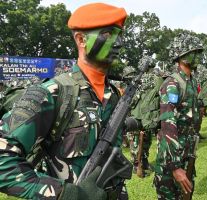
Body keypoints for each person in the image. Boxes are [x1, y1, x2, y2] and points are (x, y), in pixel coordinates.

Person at [0, 3, 128, 200]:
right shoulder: (53, 93)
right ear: (81, 39)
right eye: (108, 34)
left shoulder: (114, 95)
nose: (118, 43)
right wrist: (63, 194)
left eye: (120, 35)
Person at [154, 33, 203, 200]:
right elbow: (168, 124)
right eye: (193, 52)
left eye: (198, 52)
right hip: (171, 157)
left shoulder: (192, 81)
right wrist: (175, 166)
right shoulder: (172, 84)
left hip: (186, 150)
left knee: (186, 193)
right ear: (181, 56)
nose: (197, 56)